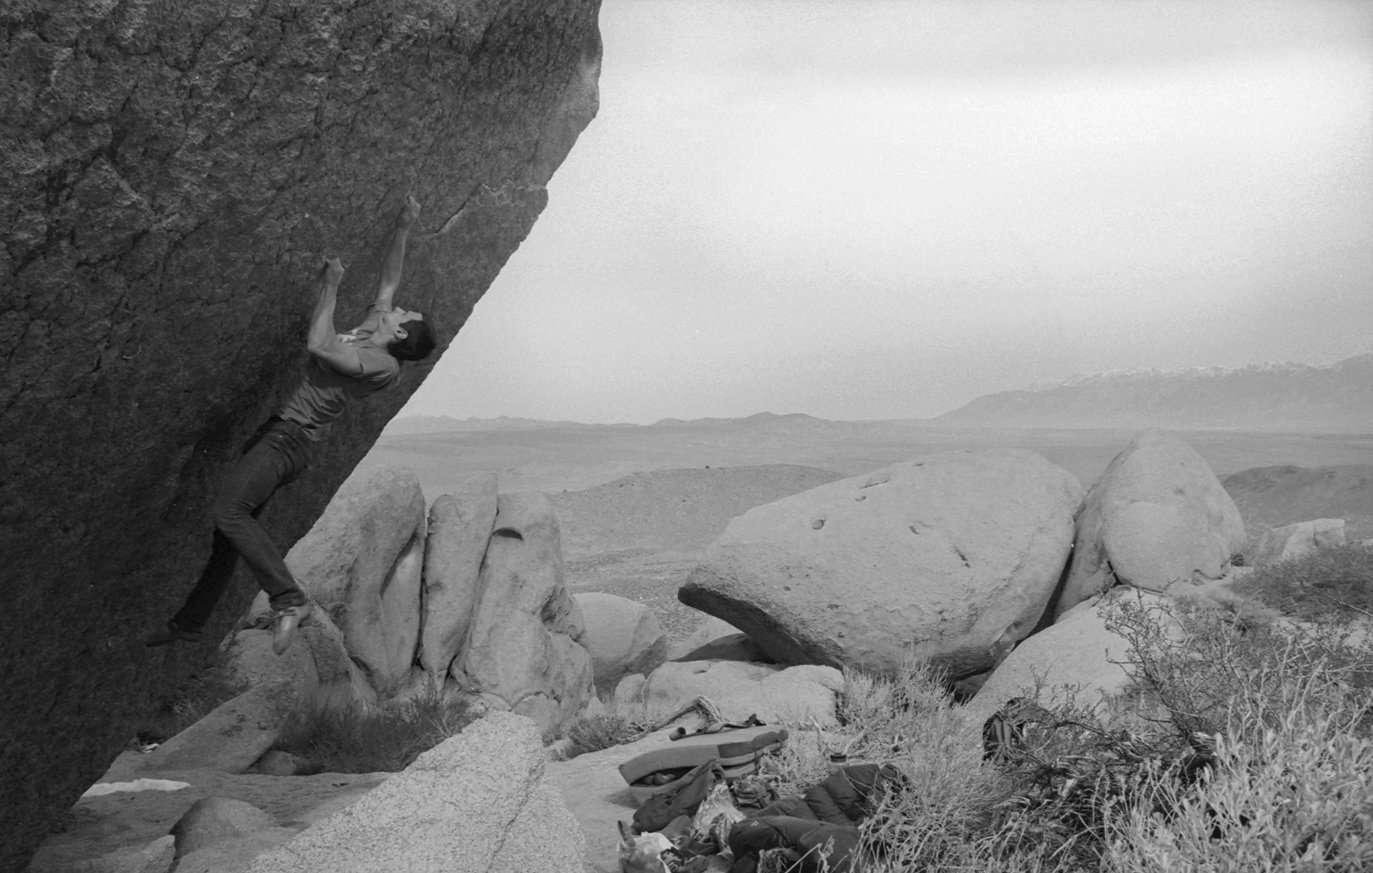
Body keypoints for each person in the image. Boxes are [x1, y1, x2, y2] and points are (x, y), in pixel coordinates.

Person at [147, 195, 437, 654]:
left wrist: (332, 286)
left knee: (229, 512)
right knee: (229, 537)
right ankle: (190, 622)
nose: (400, 308)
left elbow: (318, 344)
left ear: (401, 334)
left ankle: (289, 599)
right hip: (280, 435)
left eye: (405, 314)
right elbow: (389, 278)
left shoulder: (382, 365)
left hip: (289, 441)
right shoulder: (373, 327)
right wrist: (403, 227)